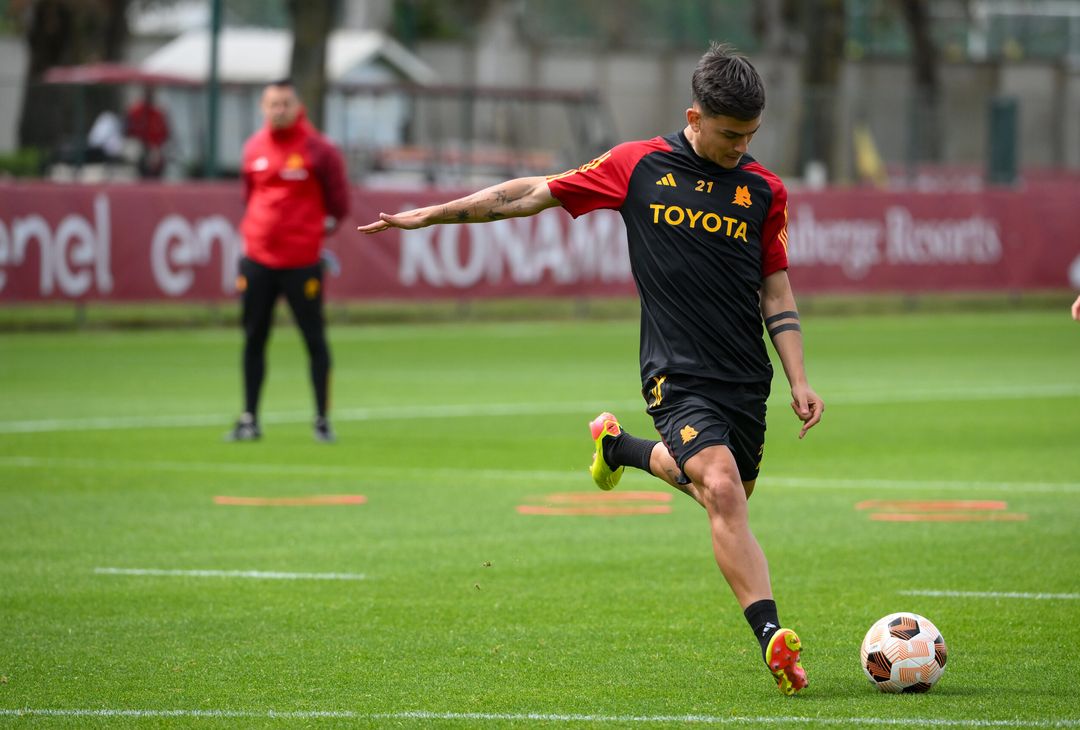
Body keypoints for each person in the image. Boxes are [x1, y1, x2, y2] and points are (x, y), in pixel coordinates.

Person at [358, 43, 823, 695]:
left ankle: (620, 447)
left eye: (750, 135)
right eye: (728, 134)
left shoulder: (762, 191)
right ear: (694, 116)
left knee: (728, 490)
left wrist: (799, 377)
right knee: (719, 486)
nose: (739, 147)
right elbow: (529, 194)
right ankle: (773, 636)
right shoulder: (637, 166)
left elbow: (776, 289)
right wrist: (433, 214)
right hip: (675, 373)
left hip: (745, 378)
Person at [227, 79, 350, 444]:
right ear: (263, 108)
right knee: (253, 339)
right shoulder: (253, 148)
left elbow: (339, 204)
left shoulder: (320, 150)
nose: (278, 110)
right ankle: (249, 419)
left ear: (298, 106)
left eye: (285, 103)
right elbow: (249, 198)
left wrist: (310, 233)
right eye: (272, 104)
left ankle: (322, 420)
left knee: (314, 339)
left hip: (302, 262)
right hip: (258, 260)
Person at [125, 86, 169, 178]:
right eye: (147, 92)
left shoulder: (158, 113)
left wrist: (155, 146)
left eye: (151, 92)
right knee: (134, 150)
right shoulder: (134, 111)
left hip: (154, 146)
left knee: (155, 155)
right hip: (139, 146)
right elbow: (128, 132)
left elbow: (165, 134)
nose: (149, 95)